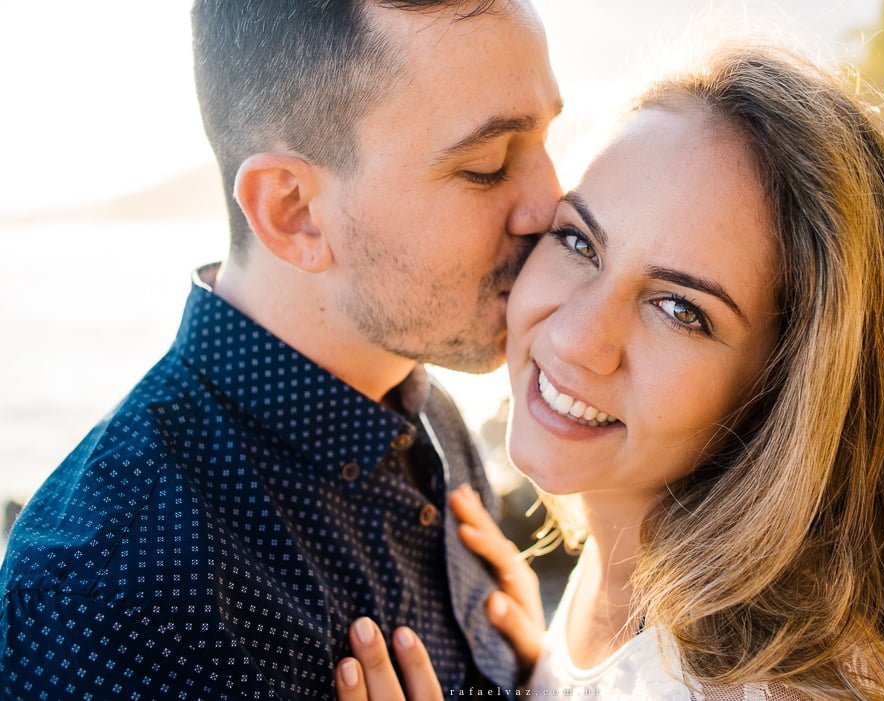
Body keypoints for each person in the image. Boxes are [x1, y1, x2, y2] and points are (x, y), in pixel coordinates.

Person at [334, 46, 884, 700]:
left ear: (786, 388)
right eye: (578, 240)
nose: (575, 338)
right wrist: (539, 661)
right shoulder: (625, 579)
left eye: (680, 309)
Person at [0, 1, 562, 698]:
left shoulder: (426, 409)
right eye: (487, 164)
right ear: (292, 210)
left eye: (545, 139)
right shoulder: (108, 594)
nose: (553, 204)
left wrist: (545, 673)